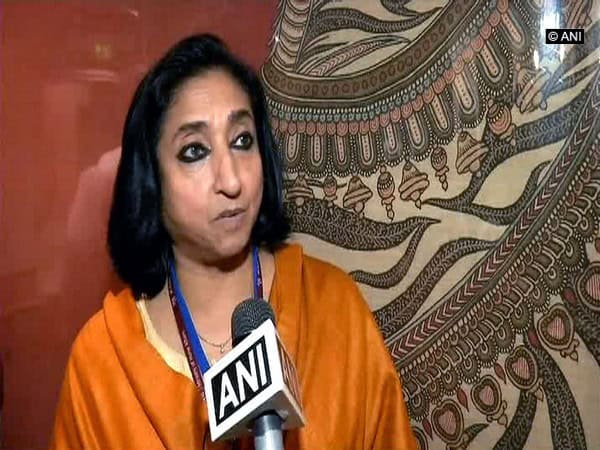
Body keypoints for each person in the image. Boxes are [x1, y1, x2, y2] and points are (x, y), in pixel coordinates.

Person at [50, 34, 417, 450]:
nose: (231, 180)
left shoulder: (334, 308)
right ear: (152, 178)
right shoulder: (100, 364)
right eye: (195, 151)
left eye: (243, 140)